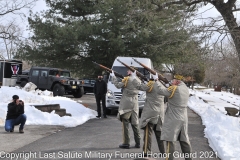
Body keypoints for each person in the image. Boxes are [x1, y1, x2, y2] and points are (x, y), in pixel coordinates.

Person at [152, 73, 193, 160]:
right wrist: (167, 85)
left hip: (174, 118)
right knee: (184, 141)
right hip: (183, 118)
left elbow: (161, 91)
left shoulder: (175, 88)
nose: (171, 81)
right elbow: (171, 91)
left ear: (177, 81)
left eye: (173, 80)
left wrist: (156, 80)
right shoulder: (185, 88)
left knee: (170, 140)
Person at [132, 74, 165, 156]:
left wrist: (134, 77)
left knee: (148, 134)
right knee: (159, 134)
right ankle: (163, 151)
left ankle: (147, 152)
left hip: (150, 114)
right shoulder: (162, 86)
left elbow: (140, 86)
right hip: (160, 114)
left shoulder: (151, 85)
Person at [110, 68, 141, 149]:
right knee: (135, 123)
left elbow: (117, 85)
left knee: (125, 123)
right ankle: (138, 142)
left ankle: (126, 143)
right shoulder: (138, 80)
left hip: (127, 104)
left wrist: (113, 76)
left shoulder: (127, 79)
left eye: (129, 70)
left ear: (132, 71)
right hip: (135, 103)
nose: (127, 71)